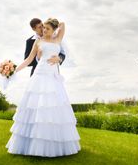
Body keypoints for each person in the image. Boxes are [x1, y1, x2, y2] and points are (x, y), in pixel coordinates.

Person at [6, 18, 81, 157]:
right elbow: (29, 59)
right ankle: (30, 144)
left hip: (53, 77)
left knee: (53, 109)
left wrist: (58, 57)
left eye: (47, 28)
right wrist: (13, 70)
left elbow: (63, 24)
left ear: (53, 30)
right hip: (40, 75)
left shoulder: (57, 39)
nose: (44, 30)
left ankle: (53, 143)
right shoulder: (38, 41)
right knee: (36, 107)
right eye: (43, 28)